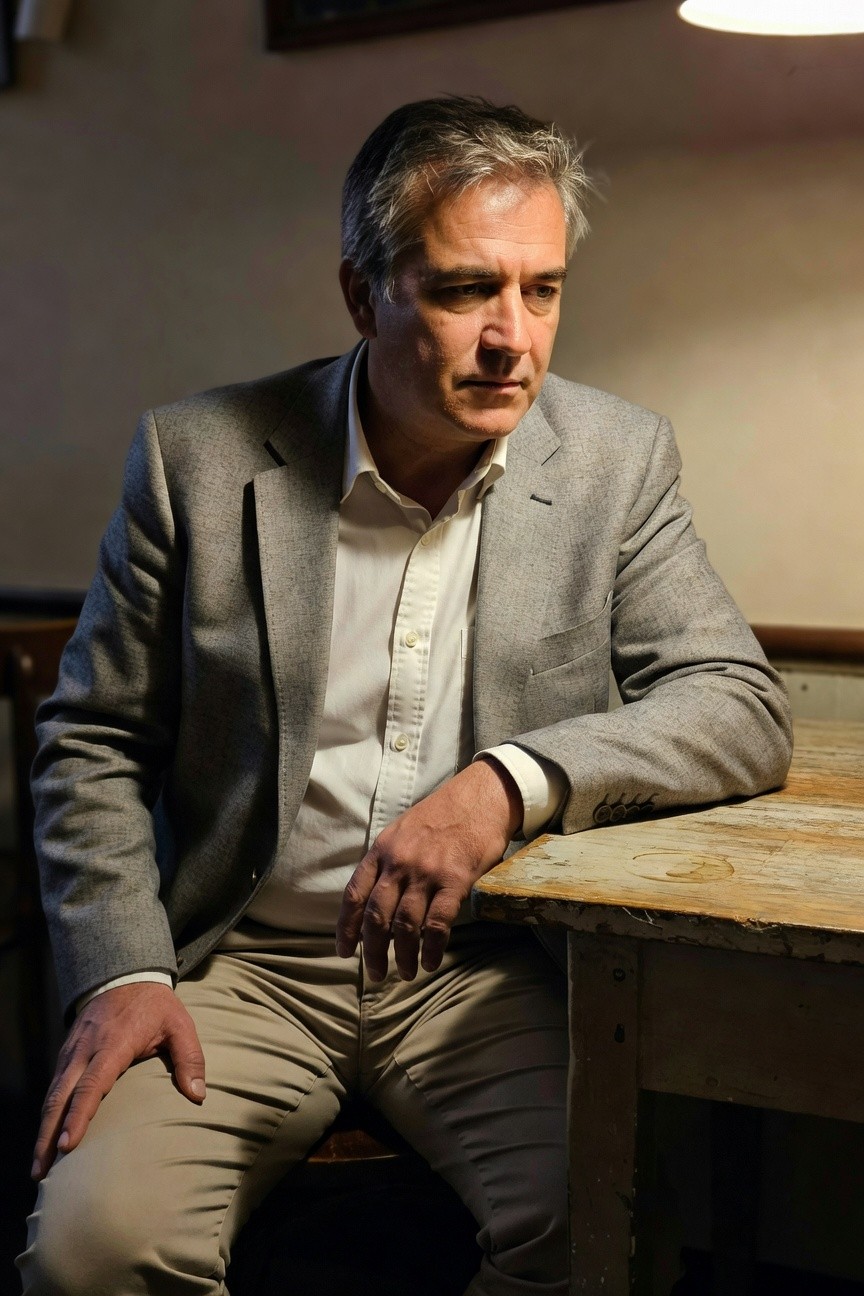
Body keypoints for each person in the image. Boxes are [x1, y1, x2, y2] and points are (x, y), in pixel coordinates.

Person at [18, 96, 792, 1295]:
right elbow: (95, 739)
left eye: (542, 291)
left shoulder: (614, 460)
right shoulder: (199, 458)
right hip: (243, 968)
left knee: (600, 1241)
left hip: (485, 970)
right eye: (463, 289)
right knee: (91, 1254)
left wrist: (504, 786)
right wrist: (123, 970)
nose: (512, 338)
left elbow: (735, 701)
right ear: (361, 293)